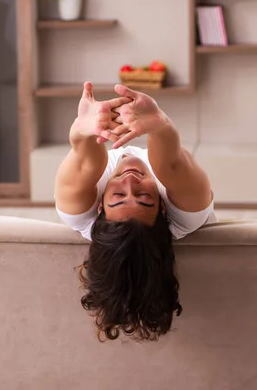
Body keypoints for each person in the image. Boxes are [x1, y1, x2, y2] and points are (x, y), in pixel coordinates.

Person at [54, 82, 216, 342]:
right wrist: (159, 124)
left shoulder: (78, 211)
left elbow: (85, 158)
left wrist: (84, 130)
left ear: (99, 208)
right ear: (163, 208)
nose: (130, 182)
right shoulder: (189, 212)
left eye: (118, 196)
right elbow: (171, 160)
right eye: (144, 197)